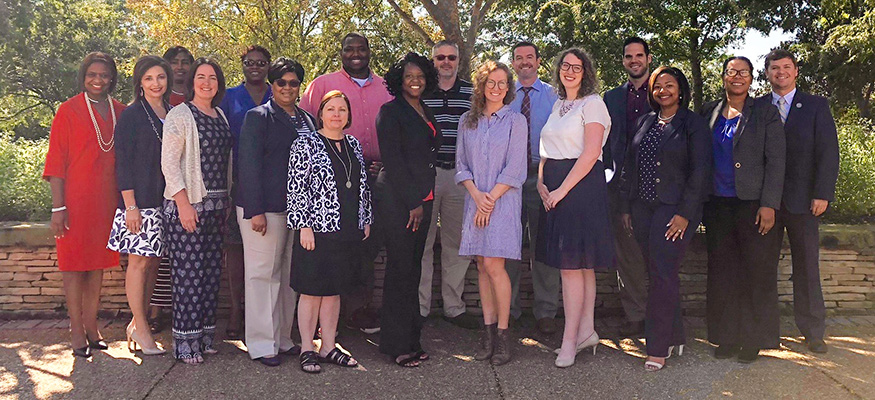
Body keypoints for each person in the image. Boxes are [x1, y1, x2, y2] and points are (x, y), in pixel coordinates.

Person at [619, 66, 712, 371]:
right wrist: (626, 207)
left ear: (681, 90)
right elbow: (629, 166)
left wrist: (685, 215)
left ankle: (657, 347)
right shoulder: (645, 121)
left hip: (674, 211)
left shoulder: (693, 124)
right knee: (659, 272)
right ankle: (675, 334)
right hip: (643, 209)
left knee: (661, 273)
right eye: (658, 86)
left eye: (669, 85)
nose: (663, 90)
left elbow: (699, 173)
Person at [300, 32, 393, 334]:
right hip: (329, 182)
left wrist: (387, 162)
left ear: (369, 51)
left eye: (361, 49)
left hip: (375, 180)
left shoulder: (386, 87)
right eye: (349, 49)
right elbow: (305, 126)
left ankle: (358, 310)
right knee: (327, 249)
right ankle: (326, 321)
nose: (355, 54)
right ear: (340, 53)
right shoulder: (323, 84)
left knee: (364, 247)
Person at [701, 56, 785, 364]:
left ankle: (752, 340)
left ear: (751, 79)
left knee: (755, 274)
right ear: (723, 76)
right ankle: (726, 338)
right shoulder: (708, 112)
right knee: (723, 274)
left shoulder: (765, 113)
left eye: (744, 72)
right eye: (732, 71)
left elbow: (777, 162)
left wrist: (769, 204)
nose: (737, 76)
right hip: (717, 206)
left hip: (753, 206)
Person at [43, 51, 126, 358]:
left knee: (97, 265)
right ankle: (76, 329)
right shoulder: (68, 110)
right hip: (75, 201)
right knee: (73, 266)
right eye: (92, 74)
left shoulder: (120, 110)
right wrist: (58, 207)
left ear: (112, 78)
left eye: (104, 75)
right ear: (83, 76)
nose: (98, 80)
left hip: (106, 201)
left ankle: (93, 327)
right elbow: (56, 161)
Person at [537, 48, 614, 368]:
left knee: (573, 266)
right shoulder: (557, 104)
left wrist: (561, 191)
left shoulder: (593, 104)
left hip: (581, 188)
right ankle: (586, 332)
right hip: (554, 185)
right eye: (565, 66)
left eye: (577, 67)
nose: (570, 71)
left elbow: (590, 153)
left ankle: (569, 342)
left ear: (586, 72)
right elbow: (546, 150)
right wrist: (542, 183)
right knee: (580, 265)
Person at [758, 49, 839, 354]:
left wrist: (823, 193)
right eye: (774, 67)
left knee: (807, 268)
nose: (781, 72)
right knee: (763, 268)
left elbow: (828, 152)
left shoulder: (816, 106)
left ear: (795, 72)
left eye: (786, 67)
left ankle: (813, 331)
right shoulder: (758, 107)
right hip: (766, 202)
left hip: (804, 202)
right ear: (767, 73)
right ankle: (766, 332)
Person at [237, 58, 314, 366]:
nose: (287, 87)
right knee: (262, 275)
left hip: (297, 211)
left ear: (300, 86)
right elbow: (248, 164)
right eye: (281, 82)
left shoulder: (307, 119)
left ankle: (282, 338)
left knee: (287, 276)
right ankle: (260, 344)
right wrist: (255, 210)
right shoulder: (258, 117)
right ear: (272, 85)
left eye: (293, 82)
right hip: (265, 209)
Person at [289, 90, 372, 373]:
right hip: (315, 229)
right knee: (312, 290)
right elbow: (297, 188)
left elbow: (362, 185)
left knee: (334, 290)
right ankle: (306, 348)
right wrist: (303, 225)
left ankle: (328, 346)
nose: (337, 114)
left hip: (346, 227)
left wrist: (366, 217)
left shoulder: (353, 145)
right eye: (331, 109)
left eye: (342, 109)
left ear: (348, 115)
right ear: (321, 113)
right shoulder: (306, 143)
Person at [161, 57, 233, 364]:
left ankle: (204, 337)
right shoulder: (180, 114)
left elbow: (225, 164)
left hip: (217, 209)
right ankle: (185, 343)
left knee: (209, 275)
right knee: (188, 277)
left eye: (213, 78)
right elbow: (169, 164)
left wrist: (227, 200)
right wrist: (183, 204)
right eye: (201, 77)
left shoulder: (220, 115)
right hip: (187, 209)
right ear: (192, 82)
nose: (207, 82)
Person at [456, 61, 527, 365]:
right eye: (491, 82)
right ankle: (487, 335)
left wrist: (490, 200)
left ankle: (503, 336)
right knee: (482, 266)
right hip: (475, 200)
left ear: (509, 88)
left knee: (496, 266)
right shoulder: (466, 121)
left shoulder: (515, 121)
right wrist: (476, 196)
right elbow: (461, 165)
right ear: (481, 86)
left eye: (502, 83)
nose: (497, 88)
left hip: (503, 201)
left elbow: (516, 168)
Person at [375, 52, 442, 367]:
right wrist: (413, 203)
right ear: (399, 80)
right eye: (409, 76)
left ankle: (412, 339)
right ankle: (396, 345)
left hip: (425, 199)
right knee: (400, 271)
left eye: (420, 75)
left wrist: (423, 201)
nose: (415, 81)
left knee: (413, 271)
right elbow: (394, 161)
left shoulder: (425, 109)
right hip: (400, 201)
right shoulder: (390, 112)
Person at [106, 55, 172, 356]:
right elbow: (123, 162)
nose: (155, 83)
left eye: (160, 77)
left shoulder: (171, 111)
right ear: (139, 83)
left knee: (154, 263)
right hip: (139, 201)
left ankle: (136, 322)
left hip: (165, 199)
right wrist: (130, 206)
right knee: (138, 262)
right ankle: (141, 327)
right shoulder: (132, 115)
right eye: (149, 78)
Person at [419, 40, 478, 329]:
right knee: (423, 243)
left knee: (457, 244)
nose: (446, 62)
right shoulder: (420, 91)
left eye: (451, 57)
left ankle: (454, 307)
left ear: (458, 60)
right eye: (440, 57)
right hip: (427, 175)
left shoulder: (472, 92)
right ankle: (420, 308)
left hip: (460, 176)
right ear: (433, 61)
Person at [219, 45, 273, 339]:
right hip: (236, 181)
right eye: (249, 62)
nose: (255, 66)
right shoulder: (229, 97)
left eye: (261, 62)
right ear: (242, 64)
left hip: (272, 184)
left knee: (267, 254)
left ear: (268, 66)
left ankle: (262, 314)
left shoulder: (277, 93)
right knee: (236, 249)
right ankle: (236, 309)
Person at [507, 41, 561, 335]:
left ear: (538, 61)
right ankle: (510, 310)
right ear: (513, 63)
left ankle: (546, 312)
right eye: (519, 58)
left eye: (530, 57)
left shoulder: (555, 96)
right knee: (509, 247)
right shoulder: (501, 95)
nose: (524, 62)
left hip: (544, 179)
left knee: (544, 247)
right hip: (509, 181)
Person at [603, 37, 652, 338]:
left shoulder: (663, 90)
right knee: (627, 255)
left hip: (656, 184)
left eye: (639, 55)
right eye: (628, 56)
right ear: (623, 61)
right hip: (620, 185)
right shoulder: (611, 98)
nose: (634, 60)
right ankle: (635, 315)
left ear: (648, 58)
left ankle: (661, 315)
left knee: (658, 254)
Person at [148, 46, 195, 335]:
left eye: (184, 62)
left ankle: (181, 311)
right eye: (173, 63)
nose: (179, 67)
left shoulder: (197, 98)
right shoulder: (159, 99)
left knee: (182, 255)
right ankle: (153, 310)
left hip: (189, 187)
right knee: (158, 253)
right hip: (156, 183)